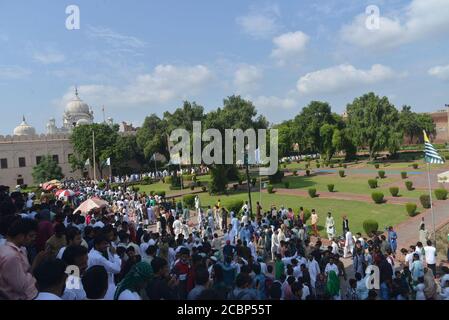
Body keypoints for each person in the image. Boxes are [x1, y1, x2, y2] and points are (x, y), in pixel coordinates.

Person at [0, 218, 43, 300]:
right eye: (31, 236)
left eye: (35, 236)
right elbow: (21, 287)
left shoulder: (21, 249)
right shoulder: (11, 256)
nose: (33, 239)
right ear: (20, 236)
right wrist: (36, 262)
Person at [87, 234, 122, 300]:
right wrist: (115, 254)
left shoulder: (91, 254)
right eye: (104, 244)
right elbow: (117, 269)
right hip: (103, 289)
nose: (106, 246)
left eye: (107, 244)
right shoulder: (98, 258)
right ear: (97, 245)